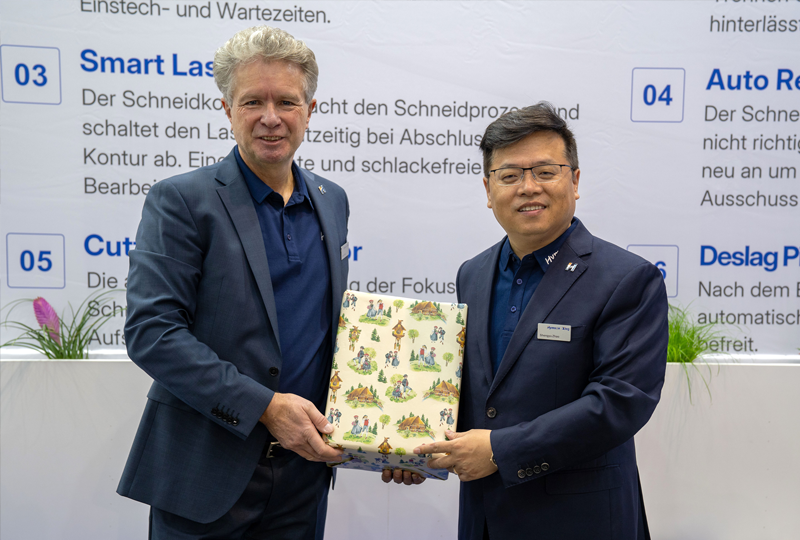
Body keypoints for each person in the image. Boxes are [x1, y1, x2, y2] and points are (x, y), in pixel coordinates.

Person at [117, 26, 420, 540]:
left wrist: (393, 431)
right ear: (227, 109)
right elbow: (153, 333)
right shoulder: (181, 200)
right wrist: (265, 407)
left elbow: (332, 333)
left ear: (310, 110)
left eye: (287, 101)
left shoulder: (333, 200)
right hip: (205, 473)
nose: (271, 117)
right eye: (253, 101)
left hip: (304, 474)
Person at [416, 103, 668, 540]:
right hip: (484, 519)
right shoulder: (473, 274)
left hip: (581, 521)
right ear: (488, 189)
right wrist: (411, 449)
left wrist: (499, 450)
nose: (528, 187)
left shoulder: (627, 279)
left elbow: (618, 403)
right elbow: (473, 395)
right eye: (510, 176)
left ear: (575, 181)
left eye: (545, 172)